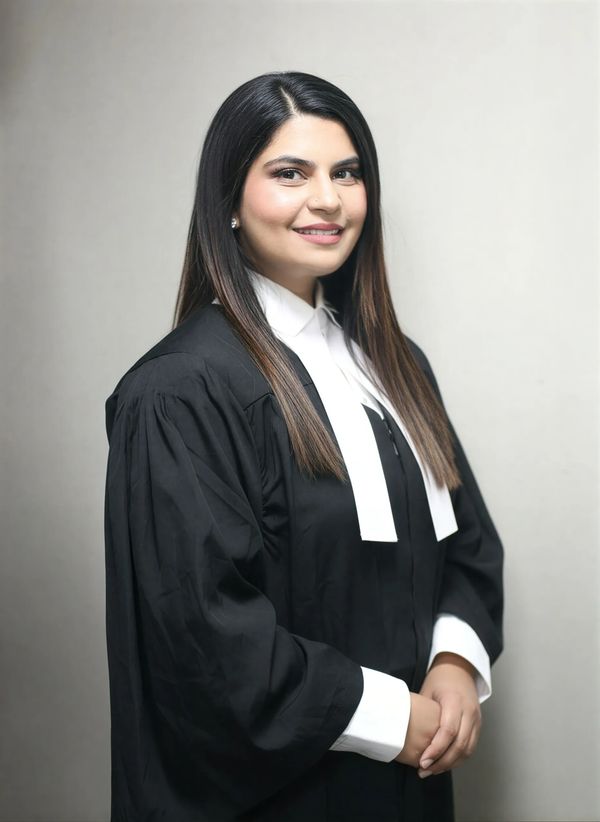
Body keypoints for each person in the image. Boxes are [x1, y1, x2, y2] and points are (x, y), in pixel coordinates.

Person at [103, 70, 504, 822]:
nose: (327, 199)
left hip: (408, 785)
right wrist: (397, 717)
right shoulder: (180, 391)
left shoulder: (394, 362)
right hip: (271, 798)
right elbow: (205, 640)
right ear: (228, 201)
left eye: (346, 174)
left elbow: (469, 548)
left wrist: (453, 665)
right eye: (290, 173)